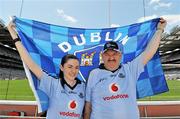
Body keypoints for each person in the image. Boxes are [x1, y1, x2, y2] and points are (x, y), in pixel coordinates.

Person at [84, 18, 167, 119]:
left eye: (114, 54)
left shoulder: (130, 69)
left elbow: (149, 52)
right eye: (107, 54)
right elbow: (88, 104)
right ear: (102, 56)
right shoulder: (94, 74)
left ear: (120, 55)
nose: (111, 57)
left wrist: (159, 30)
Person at [7, 21, 85, 119]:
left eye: (76, 67)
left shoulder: (84, 87)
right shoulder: (52, 83)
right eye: (70, 67)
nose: (73, 70)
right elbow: (31, 64)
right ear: (62, 67)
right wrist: (13, 35)